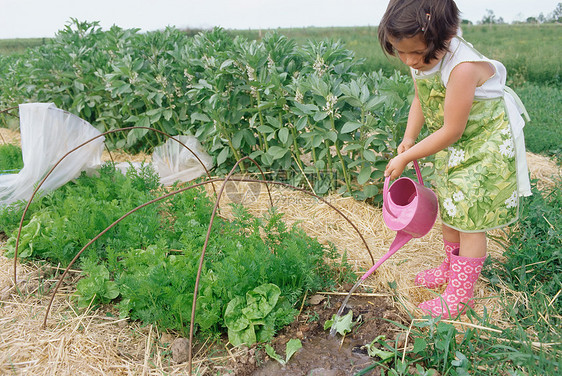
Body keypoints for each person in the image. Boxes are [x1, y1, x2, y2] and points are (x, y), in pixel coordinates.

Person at [378, 0, 532, 318]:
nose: (408, 60)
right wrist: (409, 136)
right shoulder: (422, 56)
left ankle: (460, 295)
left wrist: (407, 155)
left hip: (483, 146)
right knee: (451, 207)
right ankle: (451, 269)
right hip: (457, 146)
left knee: (470, 219)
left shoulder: (462, 68)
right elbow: (421, 99)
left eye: (415, 52)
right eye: (400, 51)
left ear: (439, 36)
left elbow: (451, 130)